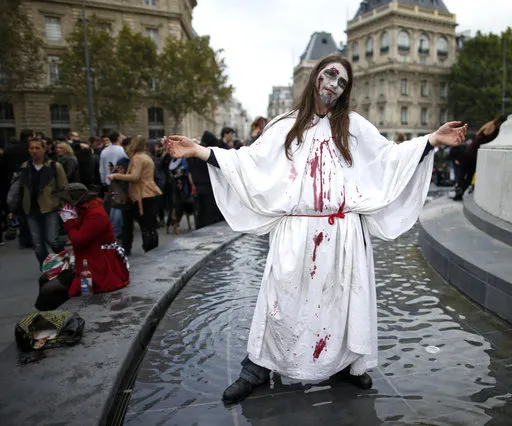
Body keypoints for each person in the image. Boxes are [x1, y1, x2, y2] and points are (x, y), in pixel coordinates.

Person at [165, 55, 467, 404]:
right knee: (280, 301)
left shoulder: (354, 126)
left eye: (342, 82)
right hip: (296, 233)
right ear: (315, 77)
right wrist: (199, 151)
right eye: (329, 76)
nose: (334, 85)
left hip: (343, 234)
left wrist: (432, 139)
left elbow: (389, 157)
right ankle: (258, 367)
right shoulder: (284, 126)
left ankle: (345, 363)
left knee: (340, 300)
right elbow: (248, 163)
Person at [35, 183, 130, 310]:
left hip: (98, 267)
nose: (63, 205)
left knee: (48, 289)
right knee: (44, 279)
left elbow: (79, 240)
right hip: (86, 261)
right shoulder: (83, 211)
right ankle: (50, 317)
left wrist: (69, 222)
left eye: (65, 201)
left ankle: (53, 319)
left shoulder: (95, 214)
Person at [18, 137, 68, 267]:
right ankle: (47, 268)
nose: (34, 151)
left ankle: (66, 261)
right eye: (32, 148)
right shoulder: (25, 167)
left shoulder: (54, 166)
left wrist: (60, 205)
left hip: (50, 208)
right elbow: (21, 189)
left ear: (44, 149)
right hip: (31, 209)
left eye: (37, 148)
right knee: (38, 244)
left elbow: (63, 188)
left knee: (52, 239)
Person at [109, 136, 162, 253]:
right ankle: (152, 249)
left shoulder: (137, 158)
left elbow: (135, 176)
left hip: (142, 194)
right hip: (149, 192)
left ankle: (147, 249)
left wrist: (116, 176)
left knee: (144, 226)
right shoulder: (146, 157)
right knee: (149, 225)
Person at [453, 115, 507, 201]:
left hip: (469, 150)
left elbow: (478, 134)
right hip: (475, 154)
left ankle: (459, 191)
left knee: (462, 173)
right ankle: (461, 191)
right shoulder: (496, 129)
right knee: (469, 176)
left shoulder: (489, 124)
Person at [187, 130, 224, 229]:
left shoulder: (192, 153)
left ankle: (200, 228)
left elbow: (189, 171)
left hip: (198, 186)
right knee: (210, 212)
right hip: (209, 186)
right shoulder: (205, 153)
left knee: (200, 211)